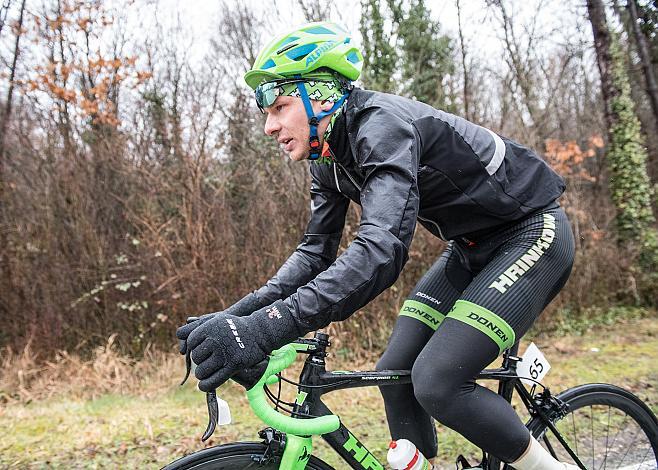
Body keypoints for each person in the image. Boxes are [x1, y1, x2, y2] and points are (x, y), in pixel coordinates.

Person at [176, 21, 576, 470]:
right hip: (468, 248)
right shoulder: (327, 158)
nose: (269, 126)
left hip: (530, 233)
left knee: (437, 380)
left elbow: (380, 249)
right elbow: (314, 254)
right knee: (396, 373)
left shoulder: (382, 125)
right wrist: (240, 317)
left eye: (279, 107)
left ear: (321, 96)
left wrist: (268, 328)